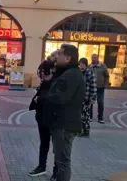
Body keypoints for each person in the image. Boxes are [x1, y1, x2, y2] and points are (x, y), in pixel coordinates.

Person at [35, 44, 85, 181]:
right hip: (62, 123)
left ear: (68, 58)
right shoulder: (67, 72)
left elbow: (60, 97)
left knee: (62, 161)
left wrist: (42, 98)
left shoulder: (71, 75)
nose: (57, 56)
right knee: (61, 159)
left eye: (60, 54)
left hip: (64, 125)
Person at [28, 60, 55, 177]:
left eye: (43, 73)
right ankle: (41, 166)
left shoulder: (55, 83)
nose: (41, 76)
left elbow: (55, 99)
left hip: (52, 119)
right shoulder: (44, 83)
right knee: (44, 143)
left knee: (57, 147)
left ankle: (57, 170)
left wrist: (40, 99)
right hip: (41, 118)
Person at [78, 58, 97, 137]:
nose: (81, 65)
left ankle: (86, 131)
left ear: (85, 64)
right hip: (79, 97)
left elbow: (93, 86)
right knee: (80, 115)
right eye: (80, 63)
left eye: (82, 63)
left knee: (85, 115)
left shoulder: (89, 72)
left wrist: (93, 98)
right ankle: (81, 130)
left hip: (87, 97)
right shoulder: (79, 72)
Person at [89, 54, 109, 123]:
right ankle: (90, 117)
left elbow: (107, 76)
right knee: (90, 103)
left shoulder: (103, 66)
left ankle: (100, 118)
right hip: (91, 87)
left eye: (95, 57)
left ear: (98, 58)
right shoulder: (89, 66)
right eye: (93, 57)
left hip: (100, 87)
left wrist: (105, 84)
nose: (94, 59)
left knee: (100, 102)